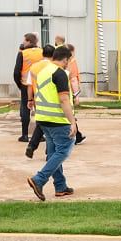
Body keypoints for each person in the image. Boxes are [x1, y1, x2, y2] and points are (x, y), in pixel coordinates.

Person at [26, 45, 78, 201]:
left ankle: (60, 186)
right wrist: (73, 122)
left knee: (53, 153)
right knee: (63, 151)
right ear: (65, 59)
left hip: (43, 120)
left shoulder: (43, 72)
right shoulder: (60, 73)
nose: (68, 64)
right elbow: (63, 99)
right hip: (57, 120)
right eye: (68, 61)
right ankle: (39, 179)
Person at [24, 44, 55, 159]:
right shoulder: (54, 67)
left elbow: (29, 85)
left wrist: (30, 99)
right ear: (53, 55)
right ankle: (49, 152)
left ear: (42, 54)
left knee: (41, 124)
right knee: (51, 126)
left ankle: (32, 146)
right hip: (52, 100)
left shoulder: (33, 67)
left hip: (38, 100)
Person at [13, 33, 42, 142]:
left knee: (26, 110)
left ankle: (25, 135)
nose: (23, 43)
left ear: (29, 41)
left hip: (25, 85)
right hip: (40, 85)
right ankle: (40, 135)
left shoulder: (22, 53)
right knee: (39, 109)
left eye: (24, 41)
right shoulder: (42, 52)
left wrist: (19, 85)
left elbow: (16, 72)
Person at [65, 43, 87, 145]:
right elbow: (73, 79)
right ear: (71, 53)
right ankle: (76, 136)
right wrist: (76, 95)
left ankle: (77, 135)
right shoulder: (72, 62)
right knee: (70, 114)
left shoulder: (56, 62)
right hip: (68, 91)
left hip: (62, 91)